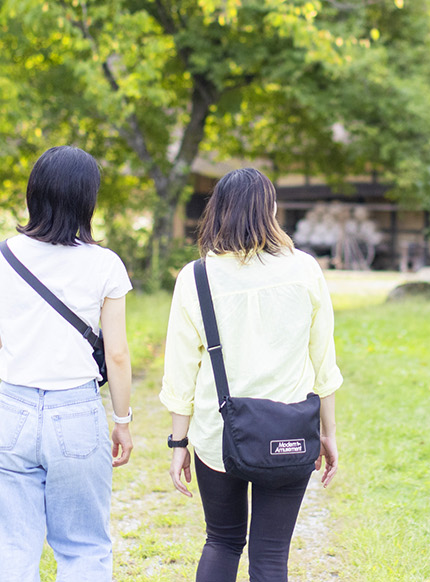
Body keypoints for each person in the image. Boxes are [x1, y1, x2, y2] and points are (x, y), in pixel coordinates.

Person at [160, 167, 343, 582]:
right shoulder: (305, 269)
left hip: (218, 434)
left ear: (218, 211)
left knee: (222, 541)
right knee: (271, 556)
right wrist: (328, 433)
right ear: (270, 210)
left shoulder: (196, 277)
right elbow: (323, 362)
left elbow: (180, 371)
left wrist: (179, 442)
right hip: (289, 432)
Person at [0, 145, 135, 581]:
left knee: (12, 549)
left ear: (35, 193)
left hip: (13, 409)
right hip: (77, 412)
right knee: (83, 547)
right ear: (87, 200)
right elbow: (117, 354)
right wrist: (122, 420)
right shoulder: (105, 264)